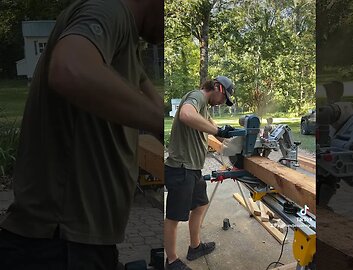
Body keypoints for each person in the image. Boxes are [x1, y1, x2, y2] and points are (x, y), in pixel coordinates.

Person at [0, 0, 164, 269]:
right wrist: (159, 123)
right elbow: (70, 69)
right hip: (59, 246)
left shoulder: (128, 39)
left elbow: (149, 100)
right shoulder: (108, 9)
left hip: (78, 242)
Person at [164, 76, 235, 270]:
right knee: (174, 216)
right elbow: (186, 115)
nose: (222, 102)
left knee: (201, 205)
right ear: (217, 87)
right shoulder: (197, 96)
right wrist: (217, 129)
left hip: (193, 169)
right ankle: (171, 261)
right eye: (223, 97)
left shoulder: (204, 108)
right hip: (181, 168)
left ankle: (195, 247)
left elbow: (215, 130)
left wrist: (232, 135)